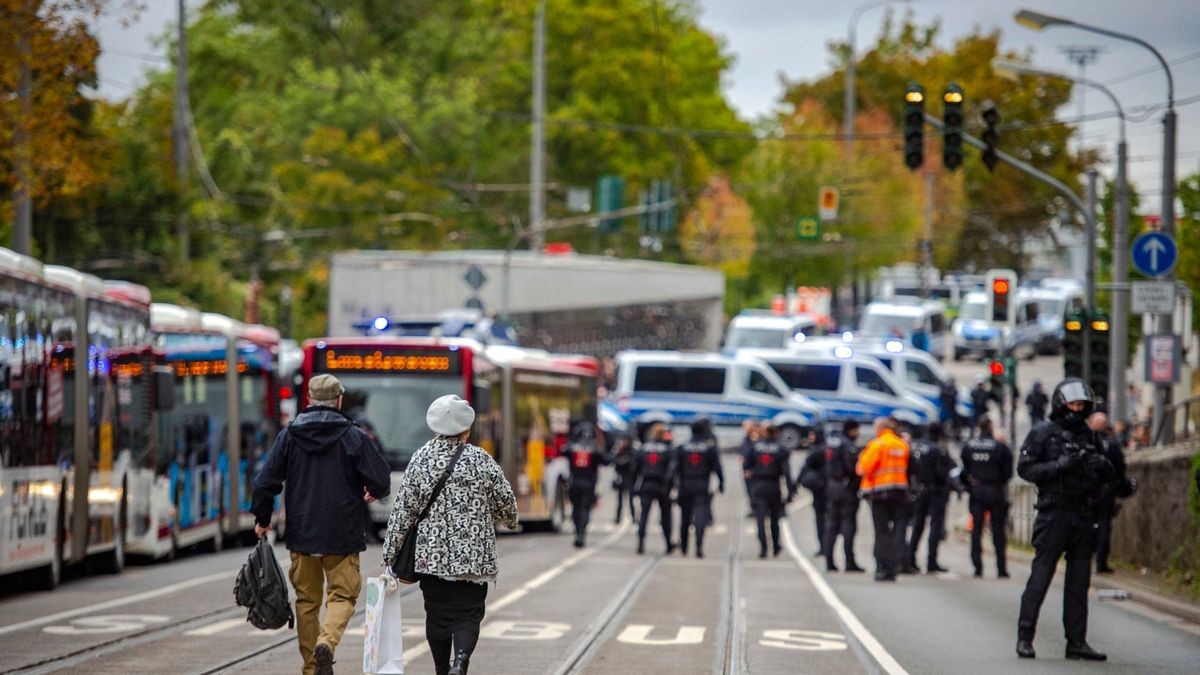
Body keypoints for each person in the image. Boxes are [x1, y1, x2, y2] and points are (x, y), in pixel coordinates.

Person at [251, 374, 391, 675]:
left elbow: (265, 482)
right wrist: (373, 490)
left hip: (302, 533)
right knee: (342, 595)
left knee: (306, 601)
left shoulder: (289, 435)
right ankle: (326, 642)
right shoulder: (353, 435)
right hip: (342, 532)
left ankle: (311, 668)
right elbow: (381, 478)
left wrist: (262, 519)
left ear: (309, 400)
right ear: (339, 400)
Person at [382, 395, 519, 675]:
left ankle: (442, 669)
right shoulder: (481, 460)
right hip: (474, 559)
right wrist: (510, 521)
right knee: (469, 614)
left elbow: (403, 511)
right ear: (466, 429)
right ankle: (461, 661)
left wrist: (390, 553)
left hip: (433, 558)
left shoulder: (421, 458)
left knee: (437, 614)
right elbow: (506, 501)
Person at [1016, 379, 1113, 661]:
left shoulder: (1090, 436)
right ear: (1061, 404)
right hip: (1053, 513)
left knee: (1079, 583)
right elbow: (1025, 468)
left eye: (1081, 405)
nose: (1077, 409)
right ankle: (1025, 636)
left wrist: (1101, 466)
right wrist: (1060, 466)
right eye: (1073, 404)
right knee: (1041, 576)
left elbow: (1109, 475)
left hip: (1082, 514)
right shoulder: (1043, 433)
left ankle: (1076, 641)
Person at [856, 417, 910, 582]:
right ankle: (894, 567)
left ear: (880, 429)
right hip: (899, 492)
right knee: (896, 531)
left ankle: (882, 568)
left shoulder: (877, 444)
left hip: (879, 494)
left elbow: (863, 468)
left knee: (881, 532)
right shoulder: (902, 445)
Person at [960, 417, 1013, 579]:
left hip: (977, 490)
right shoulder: (1000, 447)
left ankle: (977, 567)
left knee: (976, 530)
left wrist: (969, 486)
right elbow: (1008, 472)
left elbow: (964, 471)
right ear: (990, 428)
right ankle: (1001, 568)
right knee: (998, 531)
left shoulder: (969, 446)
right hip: (996, 490)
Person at [907, 424, 956, 574]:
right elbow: (945, 472)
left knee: (917, 525)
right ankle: (931, 560)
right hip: (935, 492)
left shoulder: (914, 446)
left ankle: (911, 558)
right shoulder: (938, 450)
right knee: (935, 526)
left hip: (918, 490)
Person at [1088, 412, 1131, 575]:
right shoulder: (1111, 445)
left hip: (1089, 491)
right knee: (1104, 525)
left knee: (1089, 524)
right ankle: (1100, 561)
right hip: (1106, 492)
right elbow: (1120, 469)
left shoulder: (1086, 443)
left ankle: (1086, 556)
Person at [675, 418, 725, 558]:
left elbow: (674, 468)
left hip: (685, 485)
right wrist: (721, 483)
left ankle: (684, 547)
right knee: (700, 518)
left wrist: (671, 485)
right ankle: (698, 547)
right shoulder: (709, 448)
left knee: (685, 518)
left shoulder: (682, 447)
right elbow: (717, 467)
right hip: (702, 485)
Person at [744, 424, 795, 558]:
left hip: (759, 486)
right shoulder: (781, 450)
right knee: (774, 519)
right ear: (776, 433)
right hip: (774, 486)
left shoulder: (755, 447)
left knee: (760, 519)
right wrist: (790, 492)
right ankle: (775, 545)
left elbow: (746, 466)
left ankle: (763, 548)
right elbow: (787, 473)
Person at [823, 420, 865, 573]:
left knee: (832, 525)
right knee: (848, 526)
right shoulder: (848, 445)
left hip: (832, 487)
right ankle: (849, 561)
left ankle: (829, 560)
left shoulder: (832, 442)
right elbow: (853, 468)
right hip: (846, 488)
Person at [562, 421, 610, 548]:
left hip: (574, 482)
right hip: (589, 483)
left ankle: (578, 532)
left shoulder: (571, 446)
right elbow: (606, 461)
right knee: (585, 509)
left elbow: (562, 452)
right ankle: (582, 533)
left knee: (575, 509)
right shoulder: (595, 448)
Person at [634, 423, 677, 555]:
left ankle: (640, 542)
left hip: (646, 484)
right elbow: (672, 470)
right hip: (662, 485)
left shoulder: (643, 448)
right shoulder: (668, 450)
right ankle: (668, 543)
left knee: (644, 515)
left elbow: (635, 468)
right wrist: (671, 486)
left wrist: (635, 486)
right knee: (665, 516)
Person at [798, 431, 828, 556]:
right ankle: (826, 546)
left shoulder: (816, 452)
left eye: (812, 435)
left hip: (821, 490)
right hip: (828, 489)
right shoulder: (827, 449)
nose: (810, 438)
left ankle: (824, 546)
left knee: (822, 519)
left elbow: (805, 468)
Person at [610, 432, 638, 524]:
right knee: (619, 501)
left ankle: (634, 516)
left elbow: (635, 465)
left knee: (631, 500)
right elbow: (614, 462)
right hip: (621, 478)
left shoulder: (633, 452)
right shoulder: (619, 451)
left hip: (630, 479)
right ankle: (618, 517)